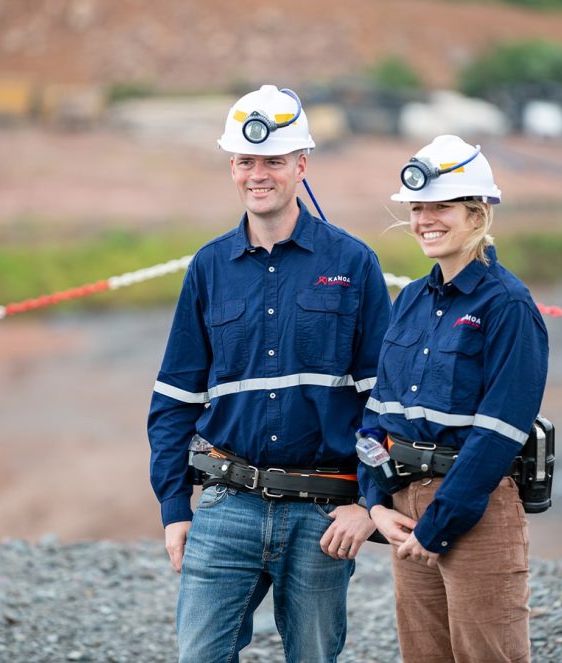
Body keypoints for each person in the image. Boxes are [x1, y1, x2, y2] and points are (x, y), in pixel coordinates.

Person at [147, 84, 392, 663]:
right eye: (245, 161)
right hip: (226, 504)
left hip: (324, 512)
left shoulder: (353, 263)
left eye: (274, 161)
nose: (259, 174)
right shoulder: (209, 267)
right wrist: (175, 507)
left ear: (301, 165)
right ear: (232, 167)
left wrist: (370, 502)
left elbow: (384, 402)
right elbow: (174, 399)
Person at [358, 134, 549, 663]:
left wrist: (442, 521)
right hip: (403, 508)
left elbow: (502, 428)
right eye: (417, 208)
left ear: (478, 212)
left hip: (476, 510)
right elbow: (378, 413)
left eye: (439, 206)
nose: (424, 220)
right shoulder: (412, 298)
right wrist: (375, 500)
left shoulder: (508, 305)